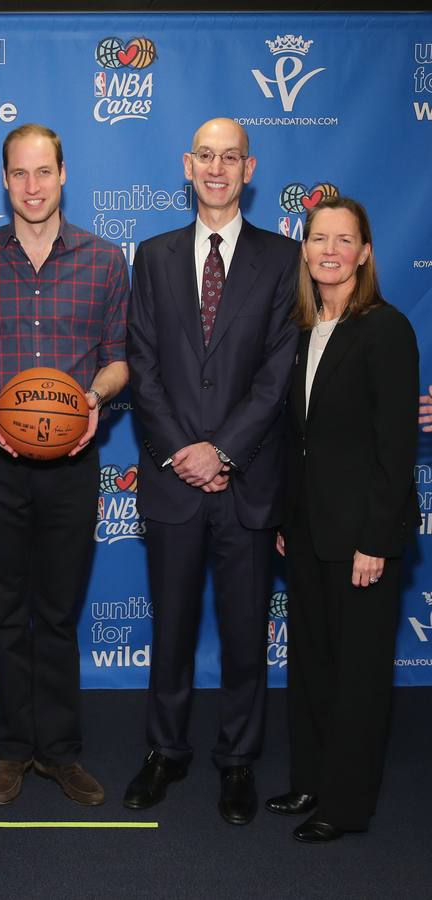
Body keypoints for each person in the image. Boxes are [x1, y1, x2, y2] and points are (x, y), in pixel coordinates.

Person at [125, 118, 298, 825]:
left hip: (248, 482)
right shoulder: (153, 256)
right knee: (170, 627)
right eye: (206, 156)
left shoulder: (284, 259)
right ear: (187, 165)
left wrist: (222, 452)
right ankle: (165, 751)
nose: (218, 168)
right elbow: (142, 364)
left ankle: (237, 760)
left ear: (249, 169)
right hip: (173, 480)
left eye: (231, 157)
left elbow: (278, 373)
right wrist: (184, 453)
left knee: (245, 631)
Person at [0, 123, 129, 807]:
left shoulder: (105, 260)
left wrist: (92, 399)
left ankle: (59, 751)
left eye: (44, 171)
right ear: (4, 180)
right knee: (4, 608)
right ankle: (12, 749)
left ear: (63, 174)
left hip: (72, 463)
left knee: (56, 612)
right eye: (20, 173)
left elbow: (120, 360)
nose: (32, 186)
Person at [266, 196, 419, 843]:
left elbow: (395, 448)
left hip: (361, 536)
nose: (329, 250)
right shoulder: (301, 330)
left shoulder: (386, 329)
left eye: (343, 239)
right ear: (304, 250)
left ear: (365, 253)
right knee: (311, 664)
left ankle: (347, 804)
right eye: (318, 239)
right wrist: (285, 517)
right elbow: (294, 438)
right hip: (306, 530)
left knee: (358, 675)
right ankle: (310, 780)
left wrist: (376, 539)